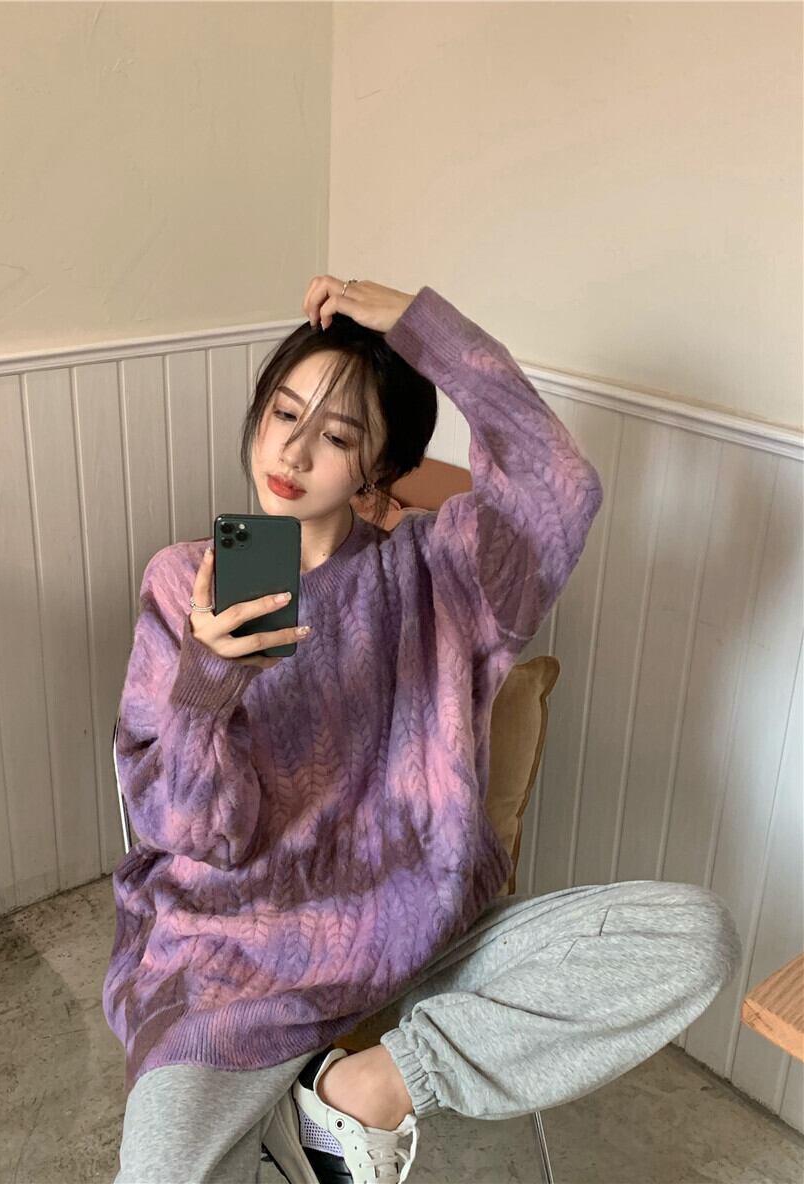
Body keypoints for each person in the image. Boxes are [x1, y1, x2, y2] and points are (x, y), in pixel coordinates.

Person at [104, 276, 743, 1184]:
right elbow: (189, 831)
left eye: (338, 436)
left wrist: (421, 326)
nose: (293, 450)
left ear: (377, 466)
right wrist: (209, 684)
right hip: (233, 967)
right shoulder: (182, 585)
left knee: (694, 937)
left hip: (414, 938)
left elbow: (558, 484)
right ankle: (300, 1120)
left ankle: (360, 1093)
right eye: (283, 413)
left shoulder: (444, 573)